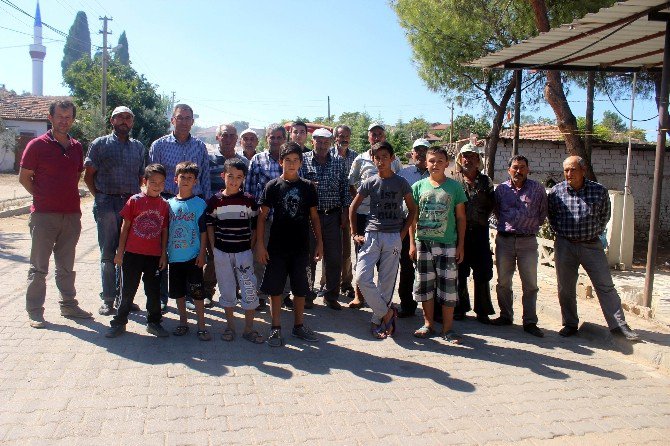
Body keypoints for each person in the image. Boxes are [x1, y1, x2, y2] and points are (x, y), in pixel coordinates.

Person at [548, 156, 639, 341]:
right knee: (565, 288)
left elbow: (605, 215)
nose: (569, 174)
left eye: (573, 170)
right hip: (565, 245)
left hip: (591, 245)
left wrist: (592, 232)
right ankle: (570, 323)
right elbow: (552, 217)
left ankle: (619, 326)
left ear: (583, 170)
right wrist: (564, 234)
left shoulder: (598, 191)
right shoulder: (557, 192)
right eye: (566, 170)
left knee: (605, 286)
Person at [19, 99, 92, 328]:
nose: (64, 120)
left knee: (66, 266)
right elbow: (24, 177)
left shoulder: (77, 147)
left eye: (68, 117)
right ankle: (35, 311)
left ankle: (68, 305)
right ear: (50, 118)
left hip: (71, 215)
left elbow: (76, 175)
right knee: (39, 267)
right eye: (60, 116)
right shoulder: (36, 145)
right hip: (43, 216)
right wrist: (42, 197)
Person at [255, 142, 323, 347]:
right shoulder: (272, 186)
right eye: (287, 160)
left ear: (301, 163)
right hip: (277, 246)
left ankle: (299, 326)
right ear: (280, 162)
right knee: (275, 289)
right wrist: (260, 244)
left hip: (301, 246)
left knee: (300, 288)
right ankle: (275, 328)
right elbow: (261, 217)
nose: (291, 164)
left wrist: (319, 243)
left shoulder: (308, 187)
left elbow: (314, 217)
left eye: (295, 160)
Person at [350, 141, 416, 339]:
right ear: (373, 159)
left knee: (386, 282)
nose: (380, 161)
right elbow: (353, 207)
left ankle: (377, 320)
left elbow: (413, 209)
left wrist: (403, 234)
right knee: (362, 277)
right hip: (371, 234)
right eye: (377, 158)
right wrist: (354, 233)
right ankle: (387, 313)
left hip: (393, 236)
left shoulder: (401, 182)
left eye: (384, 157)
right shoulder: (369, 182)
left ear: (392, 159)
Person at [148, 104, 211, 311]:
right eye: (179, 117)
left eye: (188, 118)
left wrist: (207, 204)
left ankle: (190, 295)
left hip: (193, 203)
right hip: (166, 202)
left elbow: (205, 178)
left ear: (193, 121)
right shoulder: (159, 145)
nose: (184, 121)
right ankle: (162, 296)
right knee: (164, 248)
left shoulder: (200, 147)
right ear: (172, 120)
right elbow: (152, 176)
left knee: (190, 246)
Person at [84, 106, 145, 316]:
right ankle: (109, 299)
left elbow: (140, 178)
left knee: (129, 253)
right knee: (108, 253)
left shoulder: (138, 147)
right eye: (120, 117)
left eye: (128, 118)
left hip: (130, 206)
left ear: (132, 123)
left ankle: (125, 299)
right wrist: (100, 197)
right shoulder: (99, 144)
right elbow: (88, 176)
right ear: (112, 120)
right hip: (107, 204)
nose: (124, 121)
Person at [409, 146, 467, 343]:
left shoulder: (455, 187)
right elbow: (413, 218)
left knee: (448, 287)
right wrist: (412, 244)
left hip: (448, 244)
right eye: (431, 160)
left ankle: (448, 329)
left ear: (447, 163)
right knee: (425, 285)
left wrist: (460, 246)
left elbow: (461, 218)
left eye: (439, 161)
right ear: (426, 163)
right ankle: (428, 324)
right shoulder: (418, 187)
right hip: (423, 243)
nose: (435, 164)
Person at [105, 164, 170, 338]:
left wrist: (163, 254)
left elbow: (164, 231)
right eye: (153, 181)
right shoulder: (134, 201)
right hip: (132, 254)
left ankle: (154, 322)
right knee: (127, 291)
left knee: (153, 292)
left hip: (154, 257)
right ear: (144, 181)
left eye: (161, 182)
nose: (157, 185)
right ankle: (119, 322)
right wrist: (120, 253)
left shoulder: (164, 205)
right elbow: (125, 227)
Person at [206, 158, 264, 344]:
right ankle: (230, 326)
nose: (233, 181)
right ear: (223, 176)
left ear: (243, 179)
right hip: (222, 252)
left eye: (238, 177)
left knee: (248, 287)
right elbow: (210, 225)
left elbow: (255, 225)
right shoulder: (215, 201)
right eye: (230, 176)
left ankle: (249, 328)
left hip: (243, 252)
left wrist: (250, 245)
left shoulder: (248, 200)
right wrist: (214, 248)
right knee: (227, 288)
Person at [347, 122, 402, 308]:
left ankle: (380, 300)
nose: (376, 136)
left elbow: (399, 184)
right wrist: (360, 199)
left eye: (380, 133)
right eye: (373, 134)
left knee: (385, 263)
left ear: (384, 136)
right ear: (368, 137)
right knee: (362, 256)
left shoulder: (394, 159)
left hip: (388, 219)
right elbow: (351, 181)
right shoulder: (360, 159)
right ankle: (359, 296)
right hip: (364, 216)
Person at [492, 155, 547, 338]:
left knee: (530, 284)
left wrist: (526, 226)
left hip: (528, 241)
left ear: (528, 169)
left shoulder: (537, 189)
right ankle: (506, 316)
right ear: (509, 170)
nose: (518, 171)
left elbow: (542, 214)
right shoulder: (500, 190)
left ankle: (530, 321)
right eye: (515, 167)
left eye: (522, 167)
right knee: (503, 282)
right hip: (505, 240)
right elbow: (497, 212)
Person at [300, 127, 351, 310]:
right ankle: (307, 295)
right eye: (318, 141)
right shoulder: (303, 161)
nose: (322, 145)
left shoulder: (339, 161)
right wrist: (307, 185)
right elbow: (296, 186)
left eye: (325, 142)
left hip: (333, 216)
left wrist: (345, 212)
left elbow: (345, 188)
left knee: (334, 257)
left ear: (331, 143)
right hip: (310, 217)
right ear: (312, 141)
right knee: (309, 257)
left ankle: (331, 295)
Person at [245, 123, 291, 310]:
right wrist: (251, 217)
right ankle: (261, 294)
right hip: (263, 218)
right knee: (260, 257)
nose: (276, 140)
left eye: (280, 137)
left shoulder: (291, 158)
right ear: (267, 139)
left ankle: (285, 294)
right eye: (272, 137)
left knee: (284, 257)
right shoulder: (258, 159)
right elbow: (248, 188)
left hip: (286, 219)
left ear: (285, 139)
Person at [203, 124, 249, 307]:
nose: (228, 138)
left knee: (237, 255)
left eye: (232, 135)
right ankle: (208, 291)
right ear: (217, 137)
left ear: (236, 138)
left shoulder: (243, 162)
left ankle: (235, 292)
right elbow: (205, 186)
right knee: (214, 255)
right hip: (214, 215)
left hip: (237, 217)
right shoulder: (208, 160)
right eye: (224, 135)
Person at [453, 143, 496, 323]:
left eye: (472, 156)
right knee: (459, 272)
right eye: (465, 156)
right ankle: (460, 308)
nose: (468, 160)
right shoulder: (453, 182)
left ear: (478, 161)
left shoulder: (486, 182)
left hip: (480, 232)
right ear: (460, 160)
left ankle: (483, 310)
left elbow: (492, 206)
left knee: (483, 272)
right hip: (458, 233)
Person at [167, 162, 209, 341]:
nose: (185, 180)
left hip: (193, 258)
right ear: (175, 179)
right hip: (175, 258)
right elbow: (165, 232)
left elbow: (203, 232)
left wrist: (202, 254)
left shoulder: (199, 204)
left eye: (189, 178)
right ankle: (183, 322)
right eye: (182, 177)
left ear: (195, 182)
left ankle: (201, 325)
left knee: (197, 293)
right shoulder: (168, 204)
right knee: (179, 293)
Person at [396, 139, 430, 318]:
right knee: (407, 266)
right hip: (406, 224)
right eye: (418, 150)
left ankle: (433, 309)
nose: (422, 154)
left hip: (431, 227)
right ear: (412, 152)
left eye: (425, 150)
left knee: (429, 268)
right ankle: (407, 305)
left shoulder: (436, 173)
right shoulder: (404, 174)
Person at [329, 124, 358, 300]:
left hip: (349, 208)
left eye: (347, 136)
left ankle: (346, 283)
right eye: (340, 136)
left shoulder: (355, 157)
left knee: (346, 249)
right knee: (329, 249)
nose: (344, 139)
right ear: (335, 138)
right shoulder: (327, 154)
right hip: (329, 208)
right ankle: (326, 284)